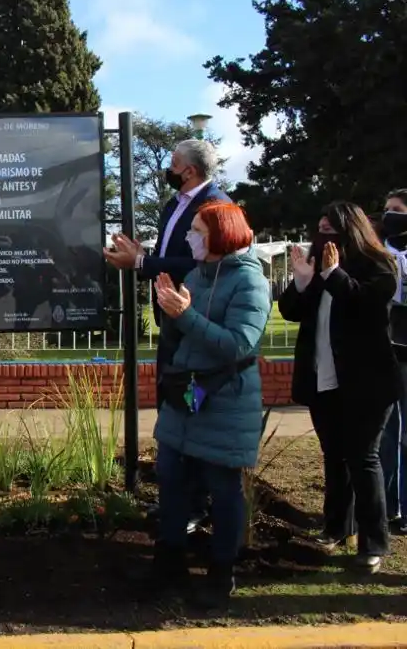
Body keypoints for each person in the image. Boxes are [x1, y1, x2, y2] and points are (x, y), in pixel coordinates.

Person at [148, 202, 271, 610]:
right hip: (186, 395)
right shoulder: (197, 274)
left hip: (224, 400)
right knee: (169, 475)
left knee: (222, 487)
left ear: (221, 235)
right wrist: (171, 309)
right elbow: (182, 331)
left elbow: (237, 344)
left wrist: (184, 315)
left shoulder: (250, 282)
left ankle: (222, 571)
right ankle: (169, 561)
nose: (189, 237)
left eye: (197, 231)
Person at [105, 139, 230, 533]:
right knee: (171, 409)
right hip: (173, 320)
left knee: (189, 408)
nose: (169, 168)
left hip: (193, 317)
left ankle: (195, 506)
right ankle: (179, 502)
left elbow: (198, 261)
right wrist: (145, 253)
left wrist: (141, 262)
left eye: (174, 163)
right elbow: (171, 253)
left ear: (189, 170)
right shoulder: (174, 205)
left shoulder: (214, 205)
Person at [278, 201, 399, 574]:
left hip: (367, 383)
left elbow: (366, 304)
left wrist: (333, 274)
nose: (322, 237)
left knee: (363, 458)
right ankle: (335, 527)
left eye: (330, 230)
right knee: (334, 456)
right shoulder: (317, 267)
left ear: (349, 231)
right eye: (319, 228)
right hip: (323, 378)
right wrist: (301, 281)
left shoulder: (378, 265)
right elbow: (292, 310)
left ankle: (373, 541)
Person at [379, 189, 407, 536]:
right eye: (387, 210)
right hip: (384, 352)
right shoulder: (378, 252)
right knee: (386, 434)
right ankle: (387, 506)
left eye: (397, 210)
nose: (390, 216)